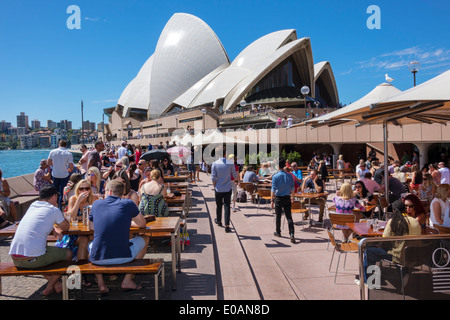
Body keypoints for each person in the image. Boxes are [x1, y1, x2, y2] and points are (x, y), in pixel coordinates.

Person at [88, 180, 150, 295]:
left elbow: (91, 227)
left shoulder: (96, 204)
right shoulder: (128, 203)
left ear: (109, 191)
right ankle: (127, 280)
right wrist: (126, 221)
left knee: (90, 244)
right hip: (123, 256)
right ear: (122, 193)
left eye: (105, 191)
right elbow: (142, 224)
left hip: (97, 258)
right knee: (145, 239)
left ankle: (101, 284)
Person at [8, 185, 72, 296]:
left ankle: (56, 284)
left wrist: (53, 227)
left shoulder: (33, 205)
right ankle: (50, 286)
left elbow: (37, 221)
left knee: (40, 250)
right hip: (33, 259)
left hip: (15, 257)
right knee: (68, 254)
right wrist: (57, 209)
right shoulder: (53, 209)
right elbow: (66, 227)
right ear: (54, 197)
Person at [360, 199, 421, 285]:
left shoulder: (393, 222)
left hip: (397, 256)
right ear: (405, 209)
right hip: (413, 255)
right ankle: (403, 273)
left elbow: (384, 240)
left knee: (369, 250)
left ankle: (367, 280)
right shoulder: (415, 221)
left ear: (393, 211)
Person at [56, 179, 97, 262]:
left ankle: (90, 267)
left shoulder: (94, 199)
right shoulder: (73, 199)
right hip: (75, 233)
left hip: (90, 230)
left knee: (90, 238)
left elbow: (96, 217)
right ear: (77, 190)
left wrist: (79, 217)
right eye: (81, 189)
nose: (84, 191)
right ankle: (81, 269)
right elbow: (71, 217)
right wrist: (78, 202)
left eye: (87, 188)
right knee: (84, 239)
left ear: (90, 189)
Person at [211, 146, 238, 233]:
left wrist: (214, 186)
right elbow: (235, 175)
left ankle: (219, 220)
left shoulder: (215, 163)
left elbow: (213, 177)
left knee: (218, 205)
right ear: (225, 153)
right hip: (227, 187)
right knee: (227, 206)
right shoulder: (230, 163)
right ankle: (227, 225)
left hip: (218, 188)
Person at [271, 158, 296, 243]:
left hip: (278, 198)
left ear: (278, 166)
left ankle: (278, 231)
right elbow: (292, 187)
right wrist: (292, 197)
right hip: (287, 197)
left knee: (278, 216)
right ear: (285, 165)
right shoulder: (289, 176)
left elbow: (273, 189)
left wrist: (271, 200)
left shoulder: (275, 176)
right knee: (289, 216)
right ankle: (292, 233)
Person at [47, 139, 74, 208]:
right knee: (63, 192)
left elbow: (49, 162)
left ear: (59, 145)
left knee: (54, 192)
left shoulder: (52, 152)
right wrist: (70, 169)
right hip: (64, 175)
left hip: (55, 174)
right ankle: (61, 206)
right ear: (66, 145)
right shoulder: (68, 153)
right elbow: (71, 165)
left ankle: (54, 205)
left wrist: (53, 166)